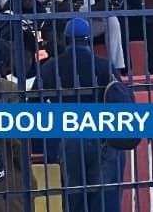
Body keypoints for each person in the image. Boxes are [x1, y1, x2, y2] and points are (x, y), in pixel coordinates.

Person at [36, 18, 122, 212]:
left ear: (65, 40)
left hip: (70, 138)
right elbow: (123, 97)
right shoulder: (103, 67)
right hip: (102, 137)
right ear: (89, 40)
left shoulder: (51, 67)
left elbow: (34, 104)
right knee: (103, 200)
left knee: (75, 201)